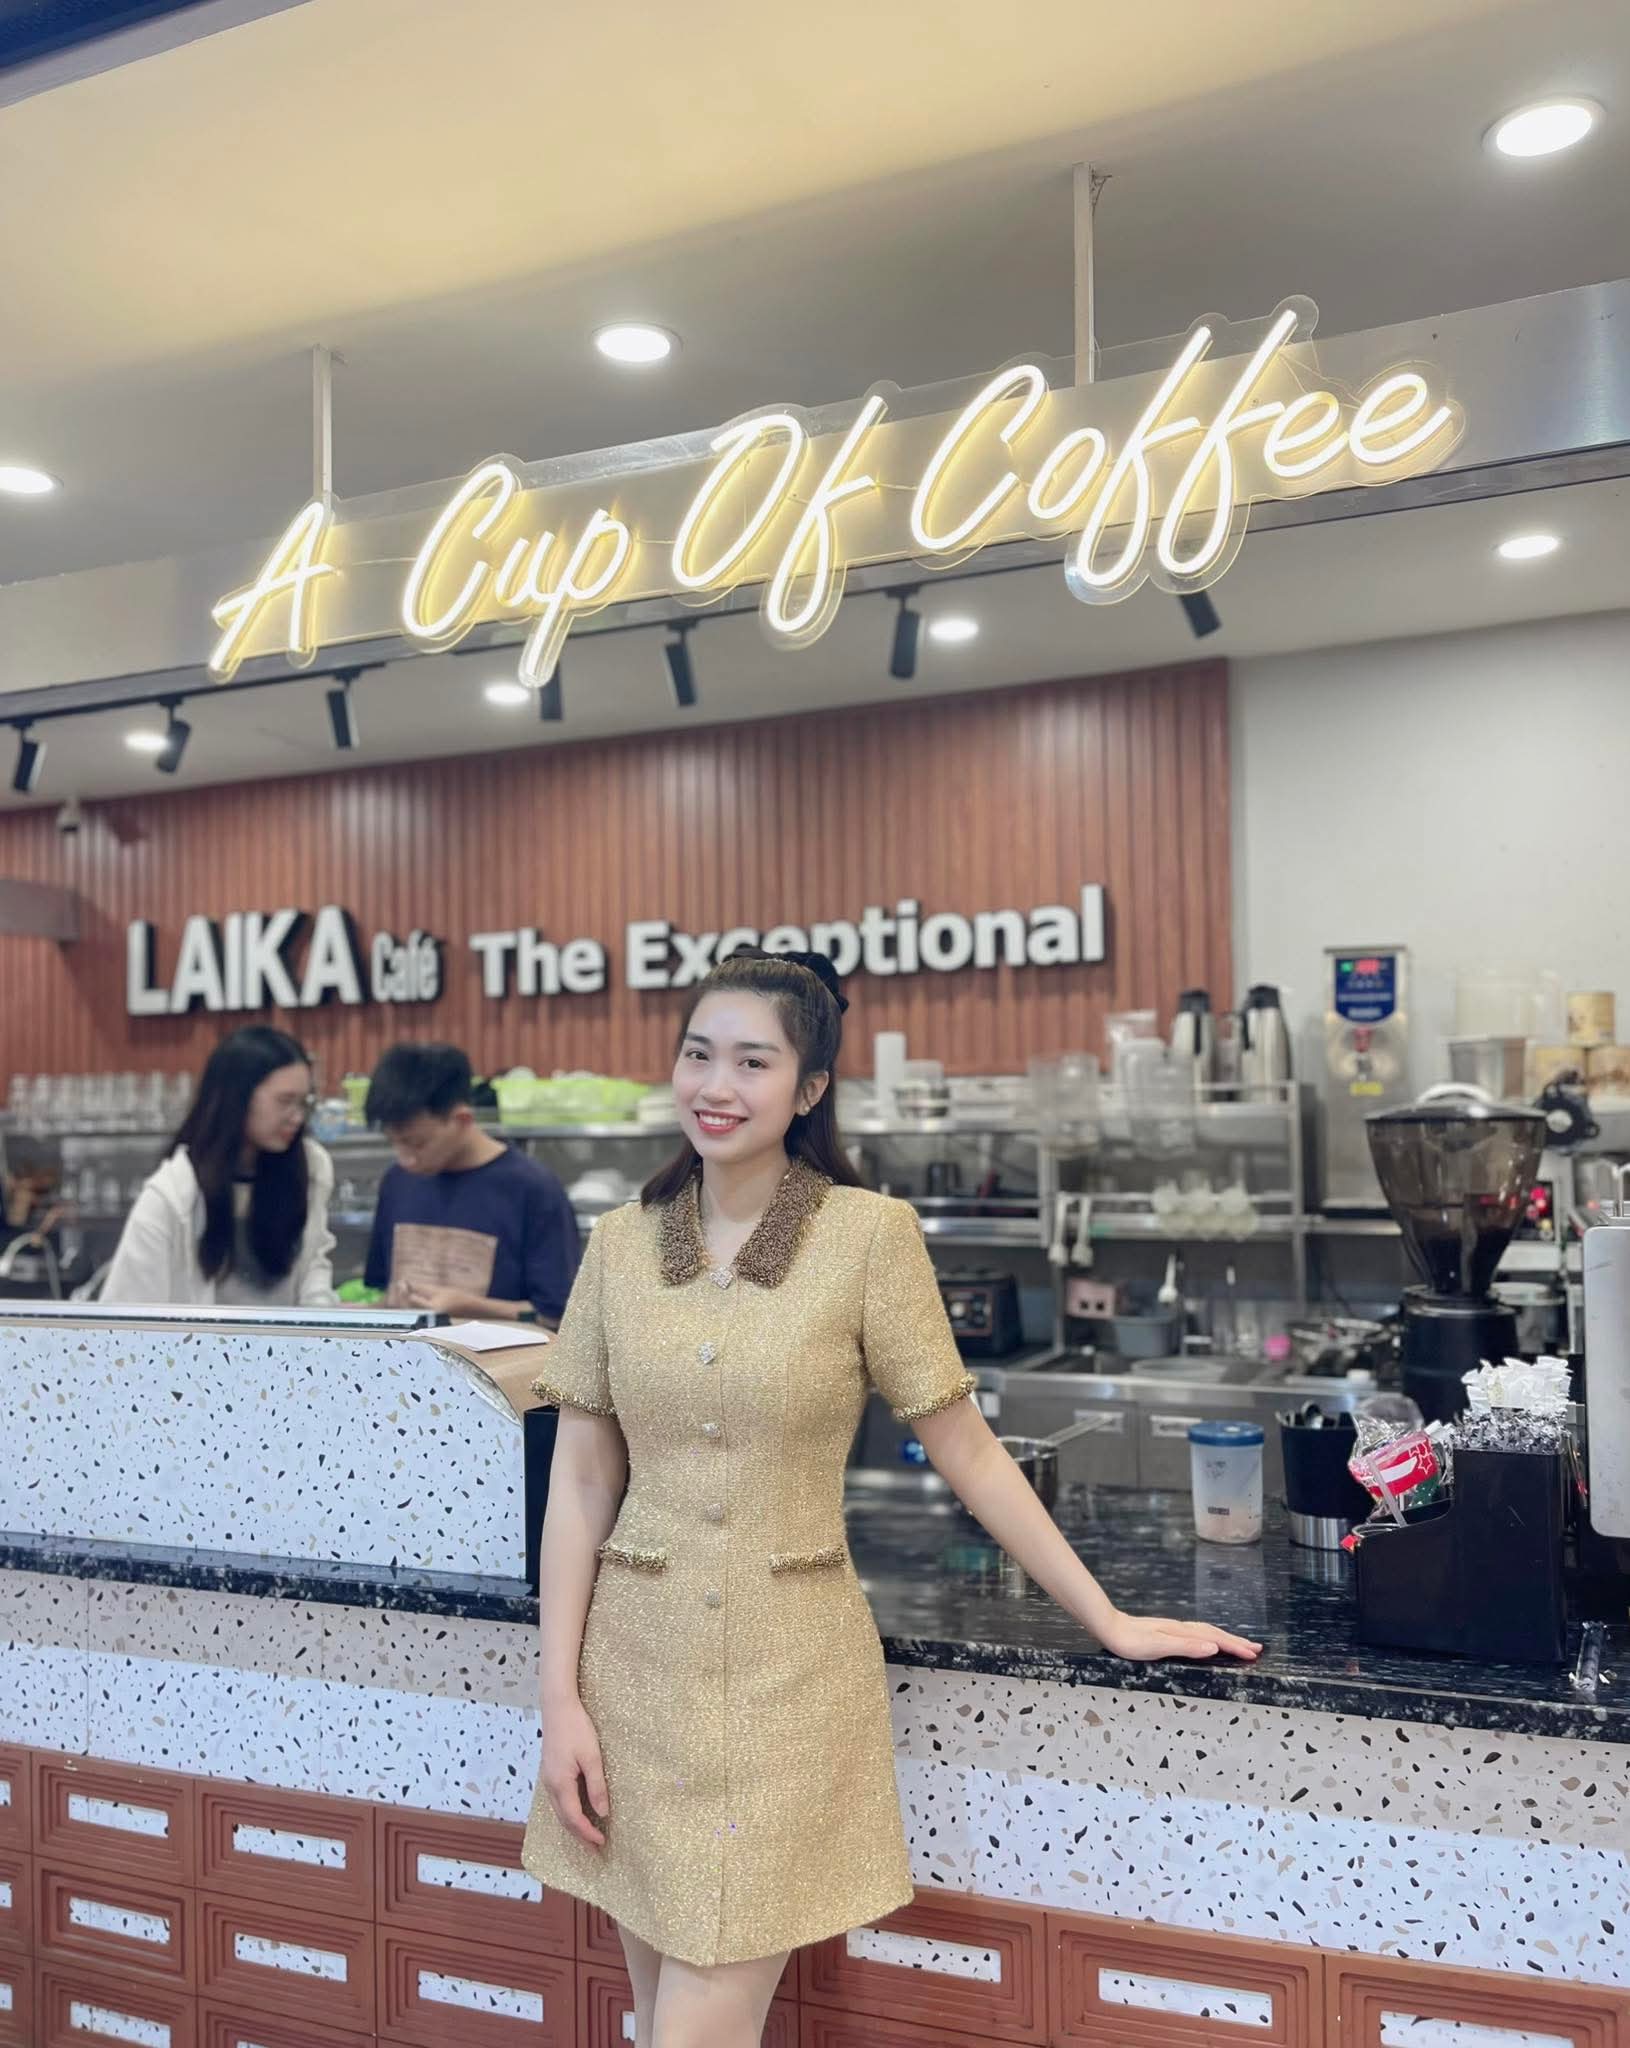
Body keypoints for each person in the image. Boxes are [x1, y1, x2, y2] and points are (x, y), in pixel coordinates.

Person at [520, 948, 1261, 2048]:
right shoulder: (622, 1243)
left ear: (810, 1086)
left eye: (753, 1062)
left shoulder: (867, 1235)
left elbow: (968, 1450)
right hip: (632, 1680)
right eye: (697, 1054)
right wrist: (560, 1702)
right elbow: (583, 1479)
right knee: (653, 2015)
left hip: (788, 1680)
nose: (715, 1085)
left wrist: (1105, 1614)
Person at [102, 1026, 336, 1307]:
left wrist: (322, 1315)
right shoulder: (172, 1195)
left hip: (287, 1336)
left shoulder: (310, 1167)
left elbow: (313, 1265)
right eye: (284, 1101)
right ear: (237, 1097)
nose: (297, 1117)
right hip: (195, 1337)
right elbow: (126, 1309)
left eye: (303, 1102)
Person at [363, 1041, 580, 1322]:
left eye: (417, 1144)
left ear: (462, 1120)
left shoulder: (532, 1189)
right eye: (394, 1143)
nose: (405, 1159)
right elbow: (385, 1294)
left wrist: (471, 1306)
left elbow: (559, 1317)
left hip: (504, 1352)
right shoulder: (397, 1182)